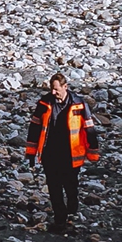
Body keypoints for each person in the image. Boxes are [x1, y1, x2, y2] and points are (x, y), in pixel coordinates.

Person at [25, 72, 100, 231]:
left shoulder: (79, 104)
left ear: (65, 87)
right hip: (49, 153)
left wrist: (93, 151)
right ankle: (60, 218)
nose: (53, 92)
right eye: (52, 89)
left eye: (56, 89)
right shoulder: (44, 103)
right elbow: (34, 128)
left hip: (71, 154)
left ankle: (72, 208)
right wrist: (31, 153)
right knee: (54, 187)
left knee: (71, 185)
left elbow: (89, 129)